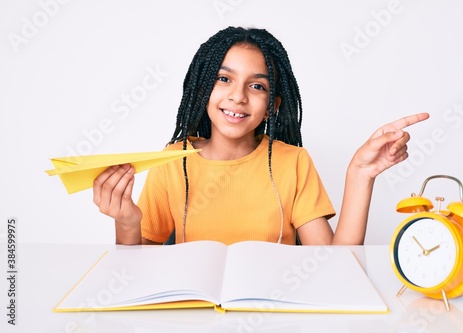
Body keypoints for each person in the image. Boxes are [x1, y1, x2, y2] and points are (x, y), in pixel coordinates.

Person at [92, 26, 429, 246]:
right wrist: (126, 222)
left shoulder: (293, 162)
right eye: (224, 79)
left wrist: (360, 175)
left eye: (257, 86)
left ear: (272, 105)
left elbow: (335, 266)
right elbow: (139, 273)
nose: (238, 96)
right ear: (202, 88)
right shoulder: (173, 160)